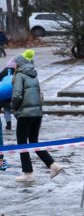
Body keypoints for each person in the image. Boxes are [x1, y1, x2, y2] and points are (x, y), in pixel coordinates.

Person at [12, 53, 63, 183]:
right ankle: (53, 165)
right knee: (34, 141)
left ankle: (28, 174)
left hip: (25, 114)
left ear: (19, 64)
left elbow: (17, 96)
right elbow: (40, 96)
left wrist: (14, 109)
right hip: (37, 114)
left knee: (21, 143)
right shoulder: (34, 75)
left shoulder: (19, 75)